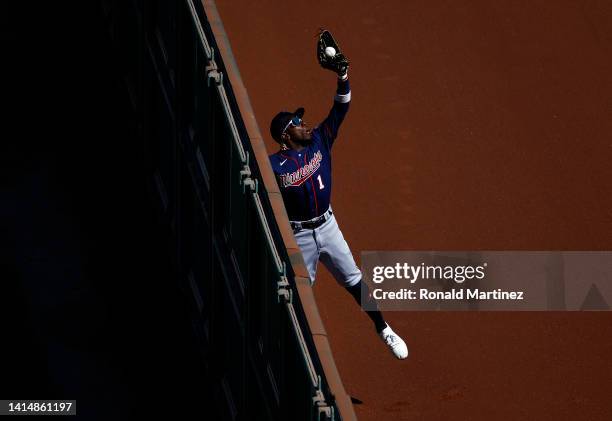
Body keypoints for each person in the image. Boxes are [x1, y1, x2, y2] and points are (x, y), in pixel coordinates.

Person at [268, 57, 408, 360]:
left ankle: (383, 328)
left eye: (302, 121)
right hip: (299, 236)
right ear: (285, 136)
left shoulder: (319, 140)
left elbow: (340, 108)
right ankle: (285, 350)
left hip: (328, 226)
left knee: (355, 280)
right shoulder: (273, 165)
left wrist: (343, 75)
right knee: (297, 296)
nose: (305, 125)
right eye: (297, 124)